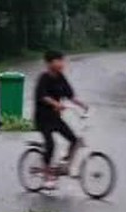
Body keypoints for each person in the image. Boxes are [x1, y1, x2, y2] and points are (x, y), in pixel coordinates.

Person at [34, 50, 88, 189]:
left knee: (74, 140)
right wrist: (55, 103)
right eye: (58, 60)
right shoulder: (44, 78)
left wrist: (81, 104)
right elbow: (42, 96)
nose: (61, 63)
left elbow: (70, 95)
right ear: (50, 63)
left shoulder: (60, 77)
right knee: (51, 145)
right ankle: (46, 176)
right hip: (43, 118)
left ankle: (63, 165)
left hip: (55, 118)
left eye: (62, 60)